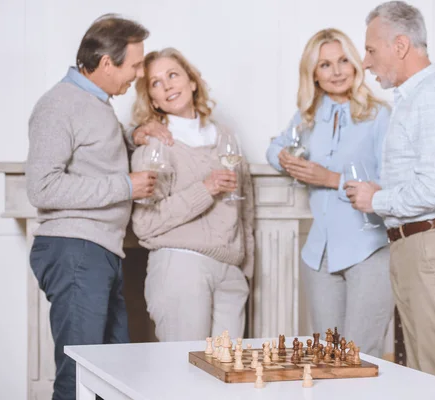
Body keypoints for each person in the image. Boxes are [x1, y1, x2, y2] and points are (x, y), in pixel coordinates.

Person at [346, 1, 435, 386]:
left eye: (371, 50)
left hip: (431, 250)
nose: (366, 62)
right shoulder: (413, 99)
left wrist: (376, 199)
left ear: (400, 45)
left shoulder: (434, 97)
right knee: (421, 380)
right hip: (416, 248)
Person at [25, 15, 155, 400]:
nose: (140, 73)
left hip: (97, 251)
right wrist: (125, 186)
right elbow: (42, 187)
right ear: (106, 64)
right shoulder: (60, 104)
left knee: (111, 378)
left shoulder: (95, 103)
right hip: (75, 250)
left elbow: (95, 156)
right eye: (134, 64)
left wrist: (132, 139)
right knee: (79, 376)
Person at [265, 28, 393, 357]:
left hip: (369, 250)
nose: (336, 71)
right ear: (314, 74)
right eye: (324, 65)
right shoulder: (306, 118)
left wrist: (330, 178)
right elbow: (276, 149)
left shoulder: (380, 116)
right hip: (319, 256)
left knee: (361, 357)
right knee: (326, 358)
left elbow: (391, 186)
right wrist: (284, 158)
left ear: (356, 65)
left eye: (343, 61)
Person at [130, 48, 254, 341]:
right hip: (180, 267)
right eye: (156, 83)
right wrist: (205, 189)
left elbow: (246, 208)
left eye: (173, 75)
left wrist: (244, 267)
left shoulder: (226, 136)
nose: (168, 85)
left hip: (230, 272)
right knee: (183, 374)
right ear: (153, 100)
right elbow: (145, 224)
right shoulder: (155, 145)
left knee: (228, 376)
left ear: (192, 81)